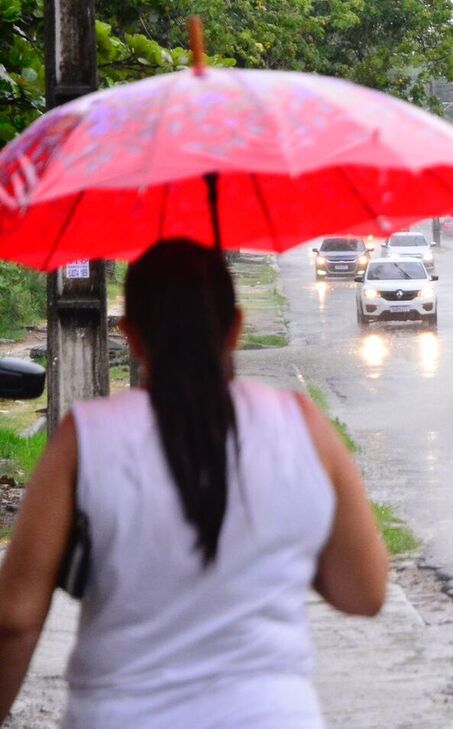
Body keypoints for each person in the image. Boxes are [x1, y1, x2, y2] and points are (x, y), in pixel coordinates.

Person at [0, 240, 389, 727]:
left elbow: (14, 621)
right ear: (237, 328)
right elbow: (365, 592)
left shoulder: (86, 438)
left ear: (131, 336)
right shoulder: (303, 426)